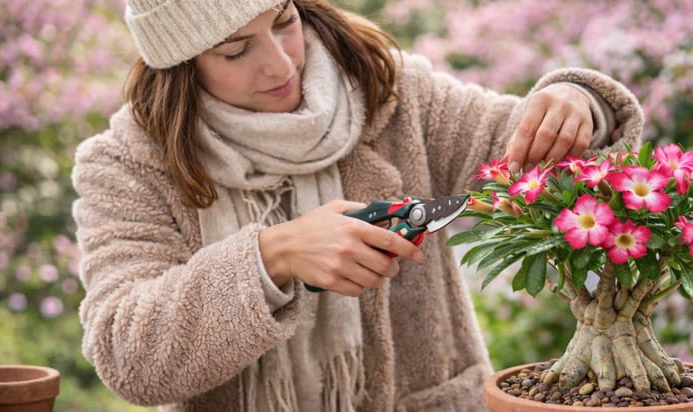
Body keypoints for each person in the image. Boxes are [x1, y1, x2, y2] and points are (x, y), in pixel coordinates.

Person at [71, 0, 643, 410]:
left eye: (284, 21)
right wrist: (272, 257)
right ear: (181, 65)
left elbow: (537, 153)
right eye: (235, 50)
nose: (279, 63)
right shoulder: (125, 165)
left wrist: (579, 102)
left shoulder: (392, 94)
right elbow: (130, 358)